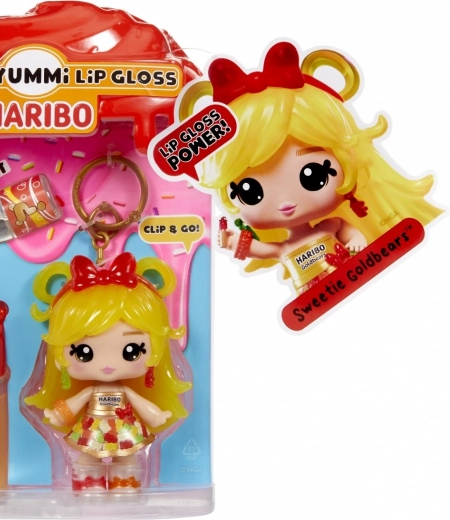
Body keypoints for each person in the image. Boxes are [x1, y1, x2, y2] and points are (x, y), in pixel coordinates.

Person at [185, 42, 442, 294]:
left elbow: (350, 233)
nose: (286, 202)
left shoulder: (329, 226)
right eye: (250, 192)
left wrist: (356, 240)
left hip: (350, 278)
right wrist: (230, 241)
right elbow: (259, 249)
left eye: (313, 175)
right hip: (313, 301)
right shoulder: (284, 249)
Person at [24, 252, 191, 492]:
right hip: (93, 427)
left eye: (132, 350)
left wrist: (155, 416)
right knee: (87, 457)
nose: (107, 365)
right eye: (83, 352)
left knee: (127, 458)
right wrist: (58, 414)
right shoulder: (91, 391)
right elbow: (75, 403)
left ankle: (126, 484)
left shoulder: (124, 391)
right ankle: (88, 484)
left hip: (124, 429)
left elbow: (140, 403)